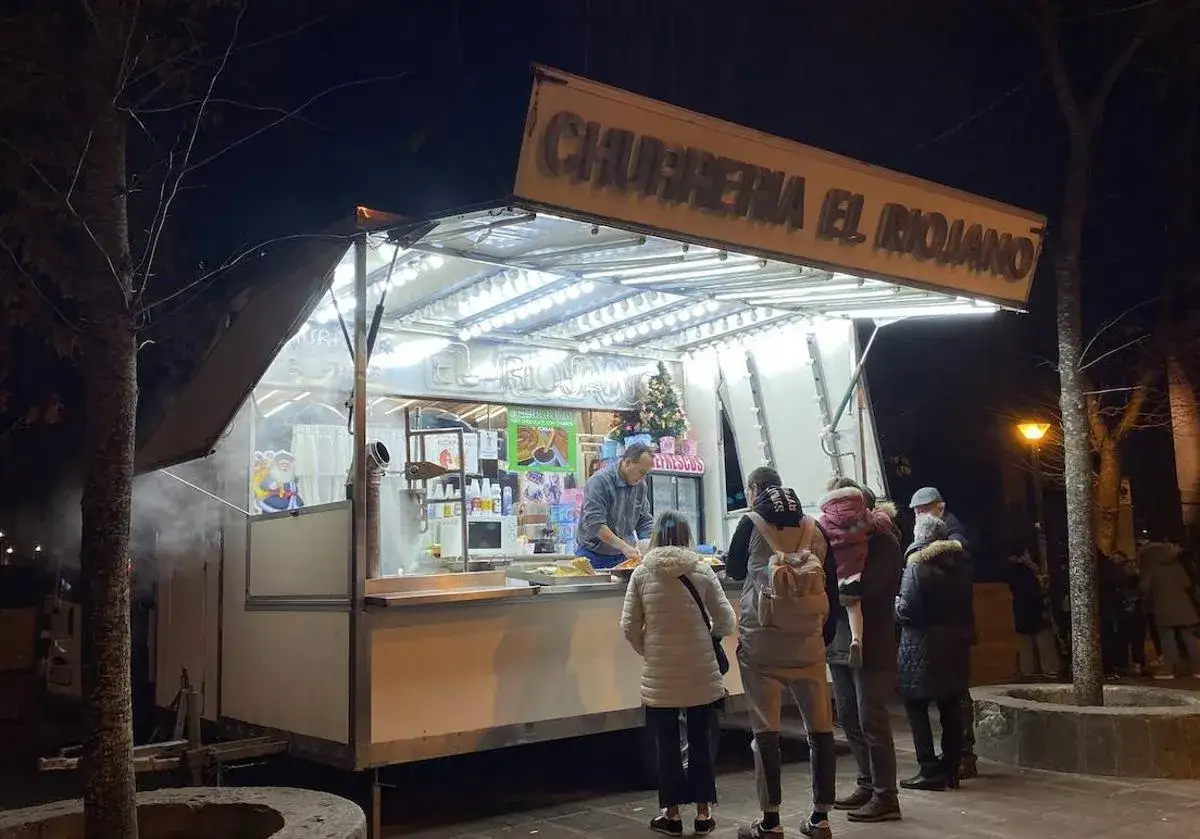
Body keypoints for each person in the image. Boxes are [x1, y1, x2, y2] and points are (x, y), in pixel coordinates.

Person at [726, 467, 840, 839]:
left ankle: (771, 822)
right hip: (808, 646)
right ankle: (821, 818)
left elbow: (734, 569)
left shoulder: (751, 524)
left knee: (766, 733)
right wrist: (822, 637)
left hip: (762, 647)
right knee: (821, 730)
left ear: (755, 491)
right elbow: (832, 586)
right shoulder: (814, 527)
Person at [621, 510, 736, 837]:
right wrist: (709, 637)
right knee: (700, 741)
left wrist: (649, 649)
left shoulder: (642, 573)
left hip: (660, 673)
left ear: (656, 535)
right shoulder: (702, 570)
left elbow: (628, 625)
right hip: (701, 670)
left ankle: (671, 815)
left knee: (666, 743)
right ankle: (703, 813)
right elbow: (727, 620)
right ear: (687, 535)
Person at [823, 480, 904, 823]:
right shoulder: (835, 540)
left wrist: (841, 591)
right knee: (848, 715)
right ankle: (867, 783)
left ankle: (886, 795)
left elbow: (876, 588)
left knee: (872, 718)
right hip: (840, 642)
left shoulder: (884, 540)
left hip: (872, 640)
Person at [896, 514, 974, 791]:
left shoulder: (917, 565)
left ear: (920, 535)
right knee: (950, 705)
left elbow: (907, 610)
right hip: (952, 643)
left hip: (921, 645)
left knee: (915, 706)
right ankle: (952, 768)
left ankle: (928, 769)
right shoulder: (958, 565)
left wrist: (895, 605)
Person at [818, 481, 894, 670]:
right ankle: (856, 639)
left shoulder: (823, 525)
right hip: (855, 577)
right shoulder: (869, 525)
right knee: (854, 607)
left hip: (841, 632)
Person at [577, 443, 656, 571]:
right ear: (627, 462)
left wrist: (650, 545)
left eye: (646, 474)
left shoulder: (640, 486)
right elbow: (594, 523)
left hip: (624, 556)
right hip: (593, 554)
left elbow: (644, 520)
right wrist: (623, 546)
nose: (643, 478)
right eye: (641, 472)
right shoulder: (599, 482)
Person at [1139, 540, 1200, 679]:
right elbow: (1187, 584)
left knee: (1167, 640)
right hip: (1185, 608)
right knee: (1190, 640)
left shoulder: (1152, 570)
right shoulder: (1177, 567)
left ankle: (1169, 670)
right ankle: (1198, 668)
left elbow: (1145, 588)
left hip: (1164, 609)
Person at [1005, 545, 1059, 679]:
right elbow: (1032, 593)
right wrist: (1044, 593)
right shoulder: (1027, 572)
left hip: (1019, 610)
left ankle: (1027, 672)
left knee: (1025, 644)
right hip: (1034, 610)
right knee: (1044, 639)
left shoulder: (1008, 571)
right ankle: (1050, 669)